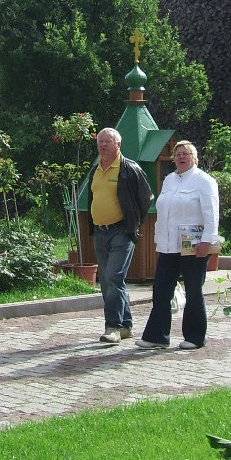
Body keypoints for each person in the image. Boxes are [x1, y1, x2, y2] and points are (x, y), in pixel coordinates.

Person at [136, 140, 220, 351]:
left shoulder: (204, 181)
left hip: (194, 248)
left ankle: (195, 337)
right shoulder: (169, 180)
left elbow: (211, 214)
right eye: (178, 154)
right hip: (168, 247)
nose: (181, 157)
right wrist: (159, 240)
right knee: (161, 291)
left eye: (186, 153)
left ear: (194, 158)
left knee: (193, 291)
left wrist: (207, 241)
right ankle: (157, 337)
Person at [88, 127, 153, 344]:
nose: (103, 145)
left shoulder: (129, 169)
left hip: (121, 232)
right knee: (109, 280)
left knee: (114, 276)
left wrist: (132, 225)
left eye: (108, 141)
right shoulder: (95, 169)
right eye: (100, 142)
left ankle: (113, 327)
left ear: (118, 144)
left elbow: (146, 199)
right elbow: (92, 198)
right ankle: (126, 326)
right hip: (100, 231)